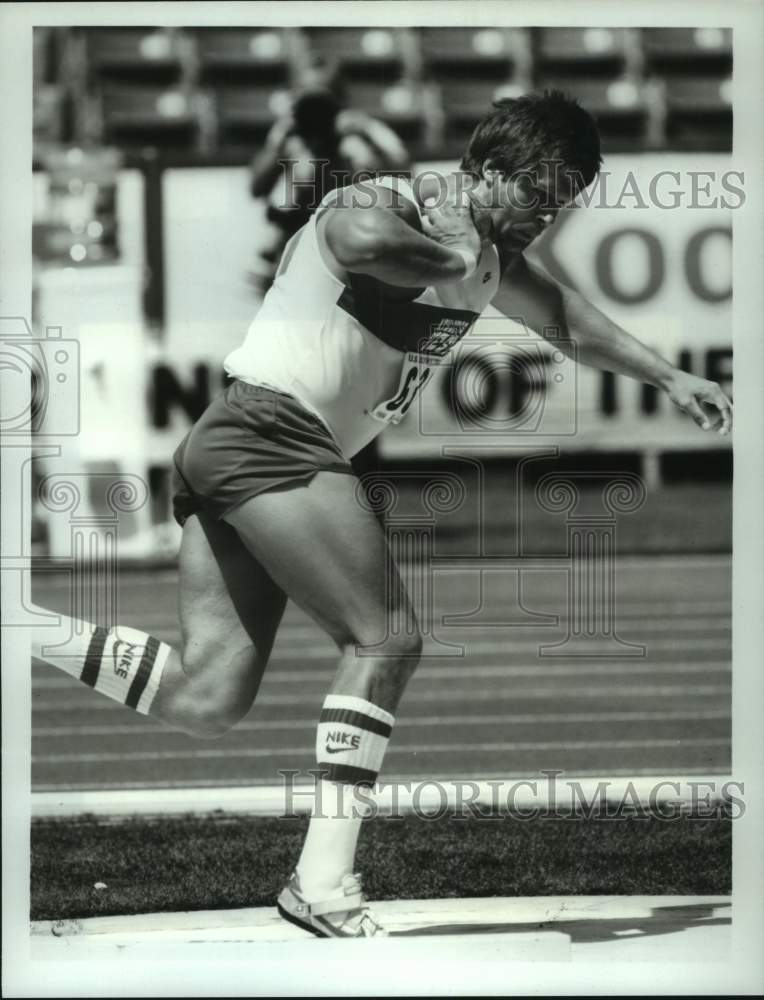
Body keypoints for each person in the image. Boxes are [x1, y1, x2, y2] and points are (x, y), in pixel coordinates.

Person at [31, 91, 732, 938]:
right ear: (484, 173)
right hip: (272, 432)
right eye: (537, 197)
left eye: (562, 205)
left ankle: (17, 627)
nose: (545, 219)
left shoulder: (491, 258)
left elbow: (570, 321)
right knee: (385, 639)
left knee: (207, 695)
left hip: (245, 441)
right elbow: (353, 237)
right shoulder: (393, 200)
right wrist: (453, 248)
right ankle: (321, 887)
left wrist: (670, 377)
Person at [249, 83, 410, 295]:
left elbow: (405, 172)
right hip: (304, 231)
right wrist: (280, 148)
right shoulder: (291, 139)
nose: (315, 134)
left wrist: (366, 141)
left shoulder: (359, 135)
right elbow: (257, 188)